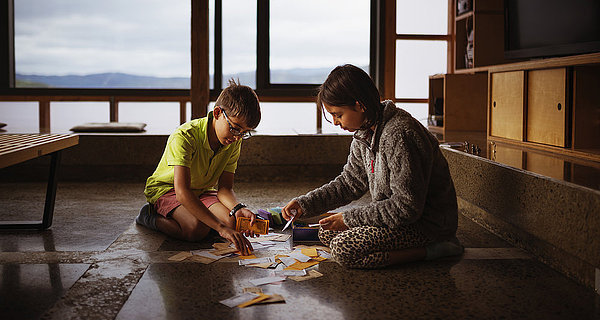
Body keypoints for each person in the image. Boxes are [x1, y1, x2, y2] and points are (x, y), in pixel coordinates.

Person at [282, 64, 463, 269]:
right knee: (327, 230)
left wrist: (350, 219)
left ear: (359, 106)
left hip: (426, 224)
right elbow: (349, 183)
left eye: (338, 114)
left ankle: (437, 248)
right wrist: (305, 204)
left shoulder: (399, 134)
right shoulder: (364, 133)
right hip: (397, 218)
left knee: (344, 249)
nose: (334, 122)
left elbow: (407, 207)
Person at [135, 80, 261, 256]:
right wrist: (219, 228)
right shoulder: (185, 136)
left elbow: (225, 189)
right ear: (217, 113)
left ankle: (200, 219)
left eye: (244, 133)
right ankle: (150, 217)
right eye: (235, 128)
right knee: (196, 229)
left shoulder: (233, 141)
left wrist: (238, 208)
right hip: (169, 189)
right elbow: (182, 192)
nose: (238, 137)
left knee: (233, 222)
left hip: (201, 191)